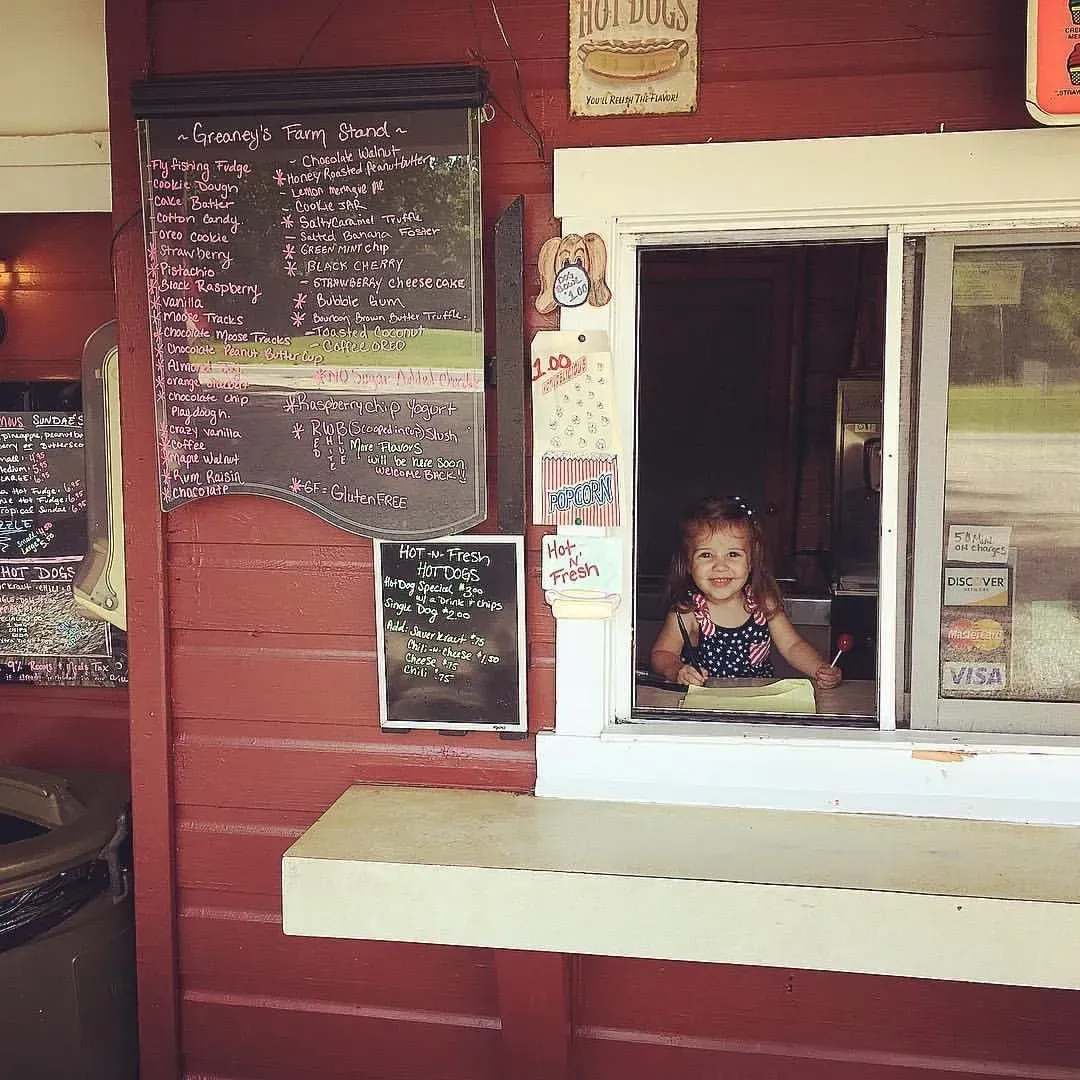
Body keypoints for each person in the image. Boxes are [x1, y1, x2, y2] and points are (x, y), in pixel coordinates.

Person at [649, 495, 841, 689]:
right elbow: (662, 654)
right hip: (706, 702)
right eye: (706, 555)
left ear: (751, 561)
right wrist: (677, 670)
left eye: (733, 554)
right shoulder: (688, 611)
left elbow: (792, 646)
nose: (720, 566)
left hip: (757, 700)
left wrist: (819, 669)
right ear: (688, 564)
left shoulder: (763, 602)